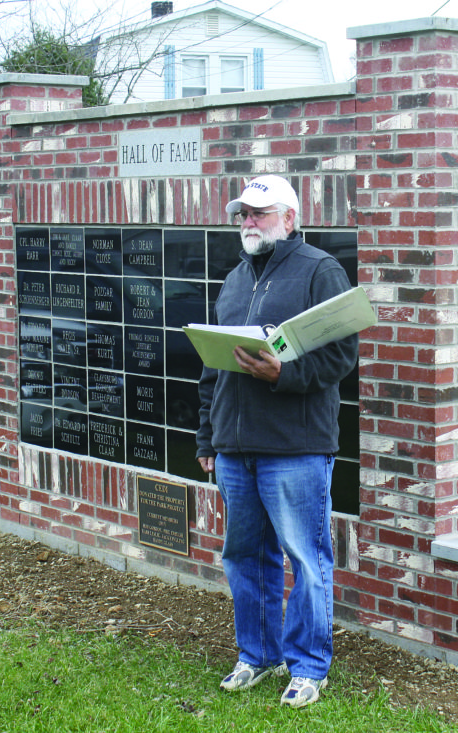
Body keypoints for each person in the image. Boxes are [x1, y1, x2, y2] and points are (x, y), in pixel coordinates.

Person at [196, 174, 358, 709]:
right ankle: (257, 655)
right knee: (244, 557)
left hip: (296, 448)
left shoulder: (320, 271)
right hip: (236, 449)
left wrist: (280, 376)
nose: (248, 222)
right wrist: (207, 437)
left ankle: (309, 668)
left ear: (288, 219)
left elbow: (340, 358)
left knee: (305, 558)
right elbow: (213, 370)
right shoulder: (235, 281)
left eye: (259, 213)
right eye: (243, 213)